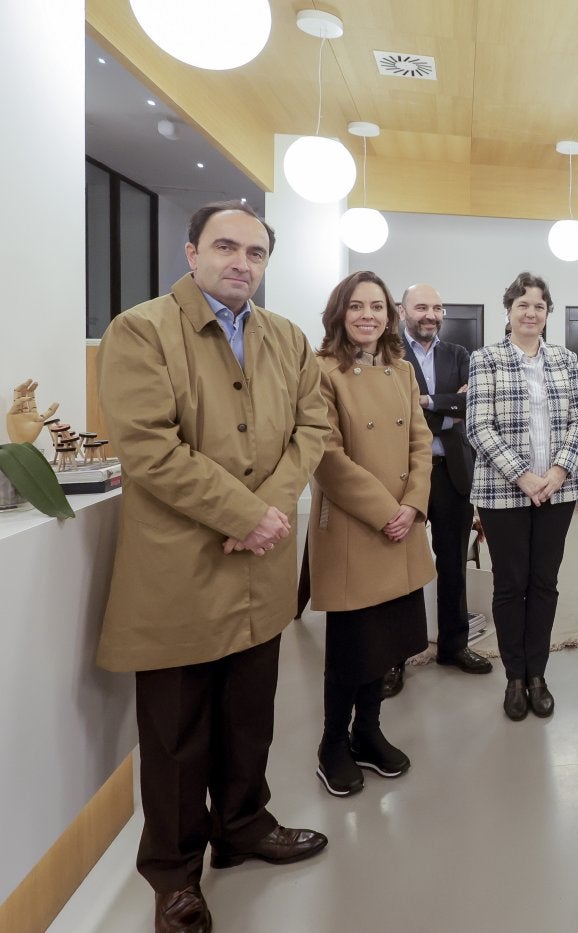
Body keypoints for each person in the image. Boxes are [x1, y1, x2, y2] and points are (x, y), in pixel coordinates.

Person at [95, 201, 330, 933]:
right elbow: (149, 447)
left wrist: (270, 506)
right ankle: (172, 877)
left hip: (261, 566)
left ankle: (243, 824)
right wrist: (246, 515)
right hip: (180, 572)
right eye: (226, 247)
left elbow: (312, 427)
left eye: (256, 253)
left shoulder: (287, 338)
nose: (242, 263)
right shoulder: (140, 331)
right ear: (191, 252)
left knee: (248, 715)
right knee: (174, 736)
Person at [308, 271, 434, 796]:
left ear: (390, 316)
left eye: (377, 307)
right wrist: (387, 511)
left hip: (401, 525)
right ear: (340, 313)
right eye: (357, 306)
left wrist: (413, 506)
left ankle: (369, 732)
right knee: (351, 648)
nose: (368, 315)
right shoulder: (321, 373)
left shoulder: (401, 372)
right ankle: (332, 743)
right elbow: (327, 456)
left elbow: (421, 447)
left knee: (388, 644)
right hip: (356, 528)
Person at [466, 272, 578, 720]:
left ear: (547, 313)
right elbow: (478, 426)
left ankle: (537, 673)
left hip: (557, 492)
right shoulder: (486, 359)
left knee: (544, 583)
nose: (531, 312)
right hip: (503, 493)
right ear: (509, 311)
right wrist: (523, 476)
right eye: (523, 305)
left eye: (539, 305)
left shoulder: (565, 359)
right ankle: (513, 678)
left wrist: (558, 471)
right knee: (510, 584)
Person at [389, 282, 492, 698]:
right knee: (403, 567)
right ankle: (396, 657)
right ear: (402, 310)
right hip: (404, 473)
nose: (430, 315)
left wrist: (427, 403)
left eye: (437, 308)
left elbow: (475, 401)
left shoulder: (459, 355)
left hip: (452, 471)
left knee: (453, 562)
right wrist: (449, 405)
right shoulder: (388, 355)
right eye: (421, 307)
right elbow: (393, 408)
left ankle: (454, 646)